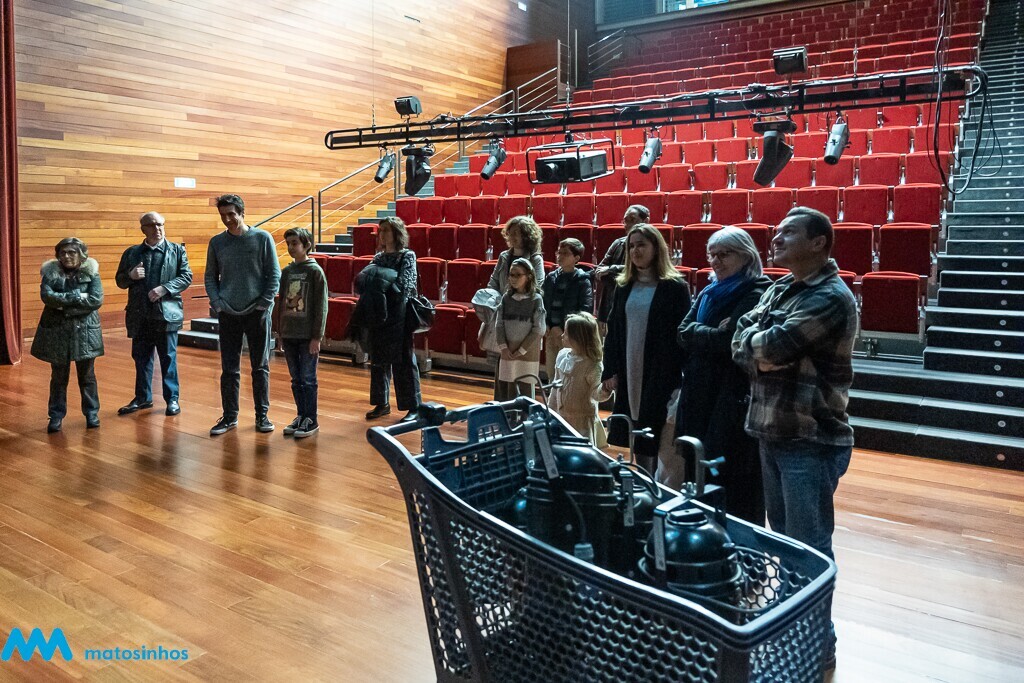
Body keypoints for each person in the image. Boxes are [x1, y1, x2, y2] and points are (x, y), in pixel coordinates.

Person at [732, 206, 858, 671]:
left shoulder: (831, 296)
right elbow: (741, 342)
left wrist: (758, 347)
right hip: (772, 431)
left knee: (808, 550)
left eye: (789, 233)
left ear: (819, 242)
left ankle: (817, 647)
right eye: (778, 231)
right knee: (785, 546)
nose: (776, 238)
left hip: (810, 438)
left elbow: (774, 345)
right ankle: (792, 637)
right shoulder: (782, 287)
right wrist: (758, 348)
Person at [672, 227, 772, 524]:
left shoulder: (756, 293)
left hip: (729, 398)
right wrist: (713, 333)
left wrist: (707, 335)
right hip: (699, 394)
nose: (716, 261)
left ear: (746, 256)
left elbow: (730, 343)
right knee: (697, 472)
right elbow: (682, 332)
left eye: (724, 254)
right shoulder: (709, 291)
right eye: (712, 255)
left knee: (731, 480)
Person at [601, 223, 691, 473]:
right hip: (630, 366)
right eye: (631, 246)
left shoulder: (675, 287)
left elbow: (682, 335)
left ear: (656, 248)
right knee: (636, 427)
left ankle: (656, 482)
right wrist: (610, 369)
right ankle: (643, 478)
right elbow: (614, 331)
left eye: (641, 245)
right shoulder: (623, 286)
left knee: (657, 430)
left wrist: (678, 373)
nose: (635, 251)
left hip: (661, 370)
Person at [205, 194, 281, 436]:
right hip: (228, 312)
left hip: (257, 313)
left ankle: (262, 416)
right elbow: (210, 277)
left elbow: (274, 274)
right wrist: (218, 304)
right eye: (223, 215)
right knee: (229, 369)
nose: (227, 219)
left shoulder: (262, 238)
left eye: (231, 214)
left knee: (260, 367)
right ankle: (229, 417)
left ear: (242, 213)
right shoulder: (217, 242)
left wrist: (264, 304)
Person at [114, 211, 193, 417]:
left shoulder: (176, 251)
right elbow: (120, 280)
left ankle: (172, 399)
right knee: (141, 358)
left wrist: (164, 289)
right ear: (143, 229)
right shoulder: (132, 253)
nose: (158, 229)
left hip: (166, 314)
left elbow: (186, 276)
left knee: (168, 358)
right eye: (152, 225)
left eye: (160, 224)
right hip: (139, 314)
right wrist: (130, 276)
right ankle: (142, 398)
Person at [31, 237, 104, 433]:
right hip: (58, 332)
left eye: (72, 252)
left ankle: (91, 413)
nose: (67, 256)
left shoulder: (92, 273)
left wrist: (63, 305)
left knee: (87, 376)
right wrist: (77, 297)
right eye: (63, 252)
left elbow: (96, 300)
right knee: (58, 377)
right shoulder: (50, 273)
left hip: (85, 333)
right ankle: (56, 416)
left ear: (81, 255)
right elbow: (47, 297)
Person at [361, 217, 421, 422]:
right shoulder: (378, 257)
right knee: (378, 360)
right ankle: (381, 403)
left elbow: (405, 284)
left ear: (397, 233)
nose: (382, 234)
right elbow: (365, 281)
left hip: (400, 314)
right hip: (379, 314)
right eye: (381, 231)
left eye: (386, 230)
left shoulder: (407, 256)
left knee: (404, 361)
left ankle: (413, 406)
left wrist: (381, 286)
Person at [487, 216, 544, 399]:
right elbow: (493, 281)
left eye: (517, 233)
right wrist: (497, 299)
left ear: (527, 235)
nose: (512, 237)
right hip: (505, 312)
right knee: (504, 370)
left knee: (523, 376)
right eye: (510, 233)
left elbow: (539, 284)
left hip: (524, 318)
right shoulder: (504, 256)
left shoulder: (535, 258)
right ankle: (502, 406)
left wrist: (519, 296)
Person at [278, 228, 328, 438]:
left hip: (307, 336)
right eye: (288, 243)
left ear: (306, 245)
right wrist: (280, 332)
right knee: (296, 379)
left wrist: (317, 337)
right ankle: (301, 415)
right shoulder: (287, 272)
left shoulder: (315, 271)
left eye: (295, 243)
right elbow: (281, 303)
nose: (291, 247)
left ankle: (311, 419)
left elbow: (321, 306)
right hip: (289, 334)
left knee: (308, 378)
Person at [547, 312, 604, 445]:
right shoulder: (562, 355)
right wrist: (550, 412)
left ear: (578, 338)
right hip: (561, 419)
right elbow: (555, 389)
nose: (562, 336)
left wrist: (605, 390)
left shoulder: (592, 364)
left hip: (581, 424)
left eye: (566, 333)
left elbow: (596, 393)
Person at [541, 237, 593, 382]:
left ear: (576, 258)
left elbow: (585, 309)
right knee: (551, 373)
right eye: (559, 252)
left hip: (570, 335)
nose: (560, 256)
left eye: (565, 253)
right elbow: (544, 303)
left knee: (567, 375)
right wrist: (547, 323)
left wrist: (564, 328)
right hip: (551, 332)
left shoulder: (583, 280)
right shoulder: (551, 277)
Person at [495, 258, 546, 400]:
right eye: (511, 275)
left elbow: (539, 329)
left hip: (527, 353)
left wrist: (521, 350)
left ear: (528, 276)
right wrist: (504, 347)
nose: (513, 278)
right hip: (508, 351)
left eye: (518, 275)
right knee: (507, 389)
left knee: (525, 390)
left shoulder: (536, 300)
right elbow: (499, 324)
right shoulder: (506, 298)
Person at [594, 204, 650, 331]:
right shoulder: (617, 243)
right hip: (613, 303)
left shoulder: (652, 246)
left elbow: (639, 270)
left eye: (632, 220)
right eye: (625, 220)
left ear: (646, 221)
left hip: (637, 304)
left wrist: (611, 270)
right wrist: (621, 275)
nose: (628, 224)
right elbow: (600, 270)